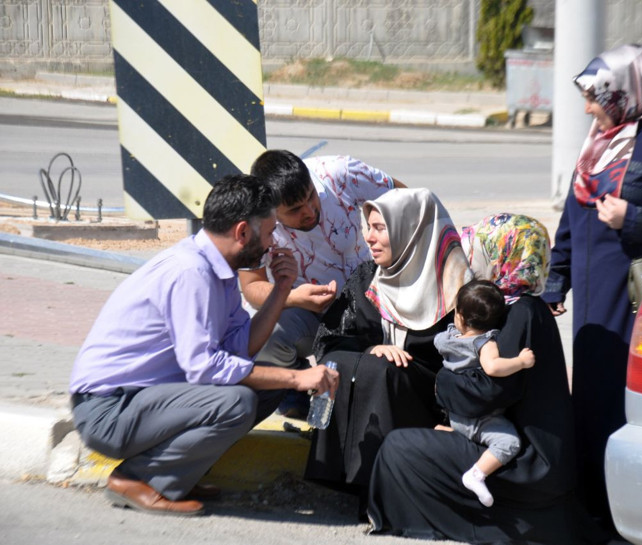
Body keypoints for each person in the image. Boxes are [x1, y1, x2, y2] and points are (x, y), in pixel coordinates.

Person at [69, 174, 339, 517]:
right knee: (238, 400)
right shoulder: (191, 273)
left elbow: (240, 349)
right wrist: (297, 380)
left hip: (142, 401)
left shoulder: (218, 268)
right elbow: (204, 367)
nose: (272, 244)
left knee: (265, 387)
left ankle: (177, 472)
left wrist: (283, 289)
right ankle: (139, 478)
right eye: (270, 232)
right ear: (243, 232)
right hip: (108, 410)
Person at [542, 44, 642, 534]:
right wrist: (557, 277)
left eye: (595, 97)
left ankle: (623, 516)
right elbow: (573, 214)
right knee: (590, 398)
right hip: (593, 298)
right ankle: (592, 508)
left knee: (624, 401)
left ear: (626, 92)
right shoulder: (600, 140)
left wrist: (634, 217)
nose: (589, 107)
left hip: (637, 296)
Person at [369, 213, 594, 544]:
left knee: (398, 448)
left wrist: (440, 383)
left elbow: (491, 391)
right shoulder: (518, 307)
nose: (475, 261)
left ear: (505, 256)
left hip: (529, 465)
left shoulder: (522, 312)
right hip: (526, 454)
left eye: (485, 253)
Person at [303, 187, 472, 505]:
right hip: (378, 380)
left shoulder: (456, 285)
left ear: (409, 231)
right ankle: (339, 472)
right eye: (369, 227)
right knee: (343, 361)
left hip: (427, 400)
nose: (369, 237)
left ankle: (381, 489)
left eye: (381, 229)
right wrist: (370, 350)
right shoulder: (368, 277)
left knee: (380, 370)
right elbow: (329, 338)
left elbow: (468, 361)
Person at [238, 151, 403, 417]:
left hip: (371, 300)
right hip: (308, 313)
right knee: (265, 338)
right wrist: (293, 298)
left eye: (311, 197)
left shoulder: (340, 172)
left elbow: (406, 201)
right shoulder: (253, 220)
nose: (309, 211)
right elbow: (252, 288)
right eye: (294, 210)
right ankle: (293, 385)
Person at [433, 279, 535, 508]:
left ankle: (453, 431)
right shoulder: (484, 342)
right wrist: (520, 362)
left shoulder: (446, 338)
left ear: (459, 316)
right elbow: (492, 368)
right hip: (479, 418)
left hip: (455, 413)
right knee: (509, 441)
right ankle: (477, 474)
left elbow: (440, 344)